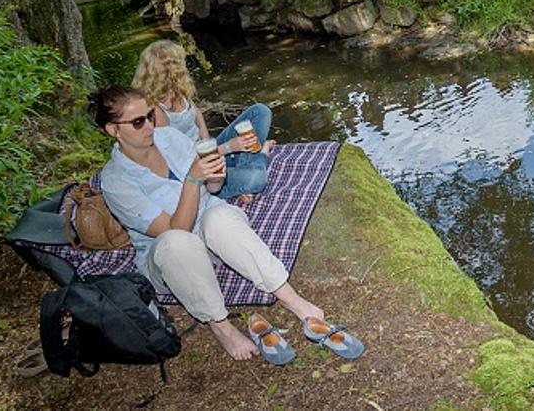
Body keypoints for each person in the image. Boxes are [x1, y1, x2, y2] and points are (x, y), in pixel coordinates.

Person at [94, 86, 363, 363]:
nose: (150, 124)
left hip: (213, 236)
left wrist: (214, 173)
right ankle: (220, 325)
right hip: (172, 261)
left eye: (150, 115)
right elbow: (177, 230)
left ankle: (289, 297)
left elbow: (214, 189)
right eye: (138, 122)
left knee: (220, 217)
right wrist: (192, 179)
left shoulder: (169, 138)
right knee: (177, 244)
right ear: (113, 130)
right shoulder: (116, 181)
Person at [132, 40, 273, 202]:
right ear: (171, 70)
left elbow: (196, 112)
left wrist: (206, 139)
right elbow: (181, 162)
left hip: (209, 151)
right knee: (257, 179)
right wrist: (228, 147)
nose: (185, 65)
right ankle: (259, 156)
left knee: (261, 111)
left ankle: (239, 172)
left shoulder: (177, 89)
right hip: (198, 171)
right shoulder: (155, 112)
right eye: (181, 62)